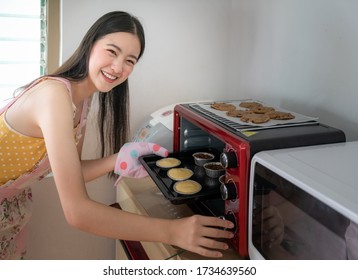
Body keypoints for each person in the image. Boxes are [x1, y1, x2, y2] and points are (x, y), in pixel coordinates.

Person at [0, 11, 234, 260]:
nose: (118, 67)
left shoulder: (83, 101)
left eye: (130, 60)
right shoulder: (54, 95)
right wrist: (174, 231)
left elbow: (71, 170)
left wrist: (118, 159)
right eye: (112, 51)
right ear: (90, 45)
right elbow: (77, 212)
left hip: (12, 207)